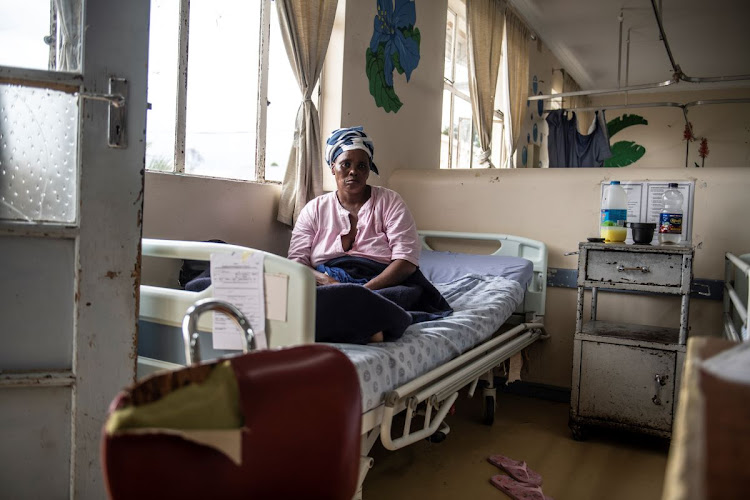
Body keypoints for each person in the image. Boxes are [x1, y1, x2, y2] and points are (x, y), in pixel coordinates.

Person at [288, 126, 451, 344]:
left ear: (368, 171)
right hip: (328, 283)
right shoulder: (314, 209)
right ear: (332, 167)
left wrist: (364, 292)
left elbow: (406, 260)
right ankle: (368, 325)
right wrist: (328, 282)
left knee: (397, 298)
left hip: (382, 283)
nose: (353, 171)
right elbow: (296, 263)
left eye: (361, 166)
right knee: (300, 300)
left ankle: (361, 322)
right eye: (346, 164)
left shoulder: (389, 201)